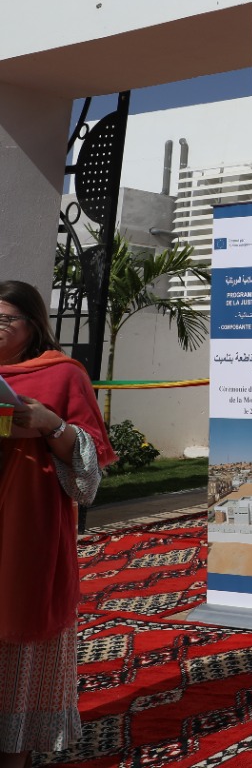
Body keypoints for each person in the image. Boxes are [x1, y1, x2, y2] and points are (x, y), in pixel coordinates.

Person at [0, 280, 115, 766]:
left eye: (5, 319)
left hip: (29, 528)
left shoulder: (64, 374)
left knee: (19, 641)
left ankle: (14, 750)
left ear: (32, 325)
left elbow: (88, 477)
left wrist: (51, 425)